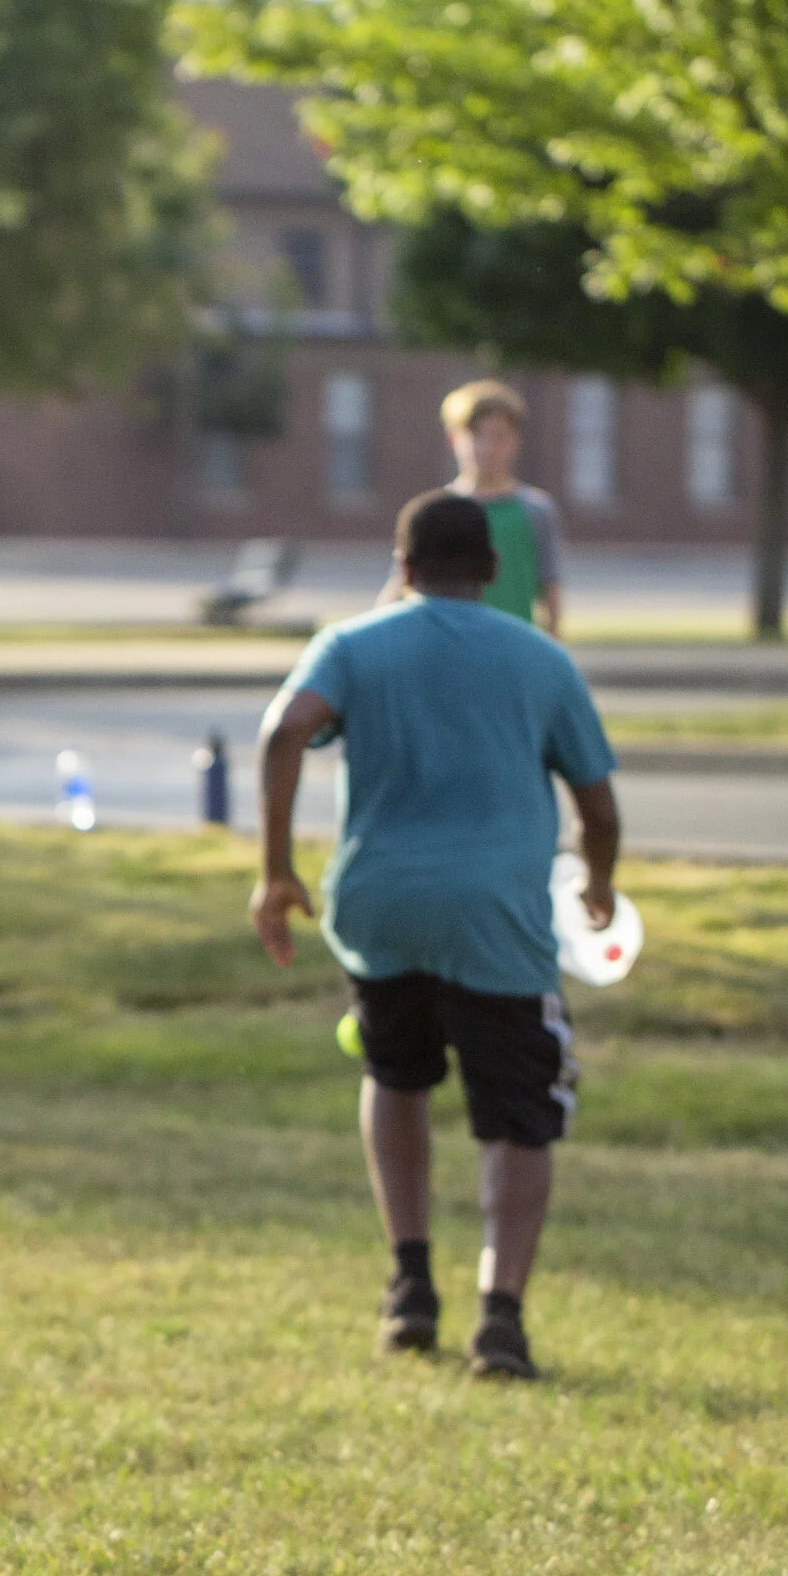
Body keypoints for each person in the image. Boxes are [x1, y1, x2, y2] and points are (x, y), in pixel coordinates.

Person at [256, 489, 620, 1382]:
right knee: (521, 1117)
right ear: (495, 572)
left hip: (379, 908)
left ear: (403, 565)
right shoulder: (541, 660)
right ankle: (501, 1321)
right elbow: (598, 804)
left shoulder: (352, 643)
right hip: (495, 917)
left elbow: (286, 730)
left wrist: (275, 871)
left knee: (395, 1073)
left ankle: (409, 1287)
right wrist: (601, 883)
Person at [377, 380, 565, 634]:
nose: (488, 448)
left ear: (516, 440)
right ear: (453, 438)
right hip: (445, 645)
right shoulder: (434, 511)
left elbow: (550, 586)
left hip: (512, 645)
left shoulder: (535, 509)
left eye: (499, 436)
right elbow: (400, 584)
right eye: (476, 435)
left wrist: (549, 649)